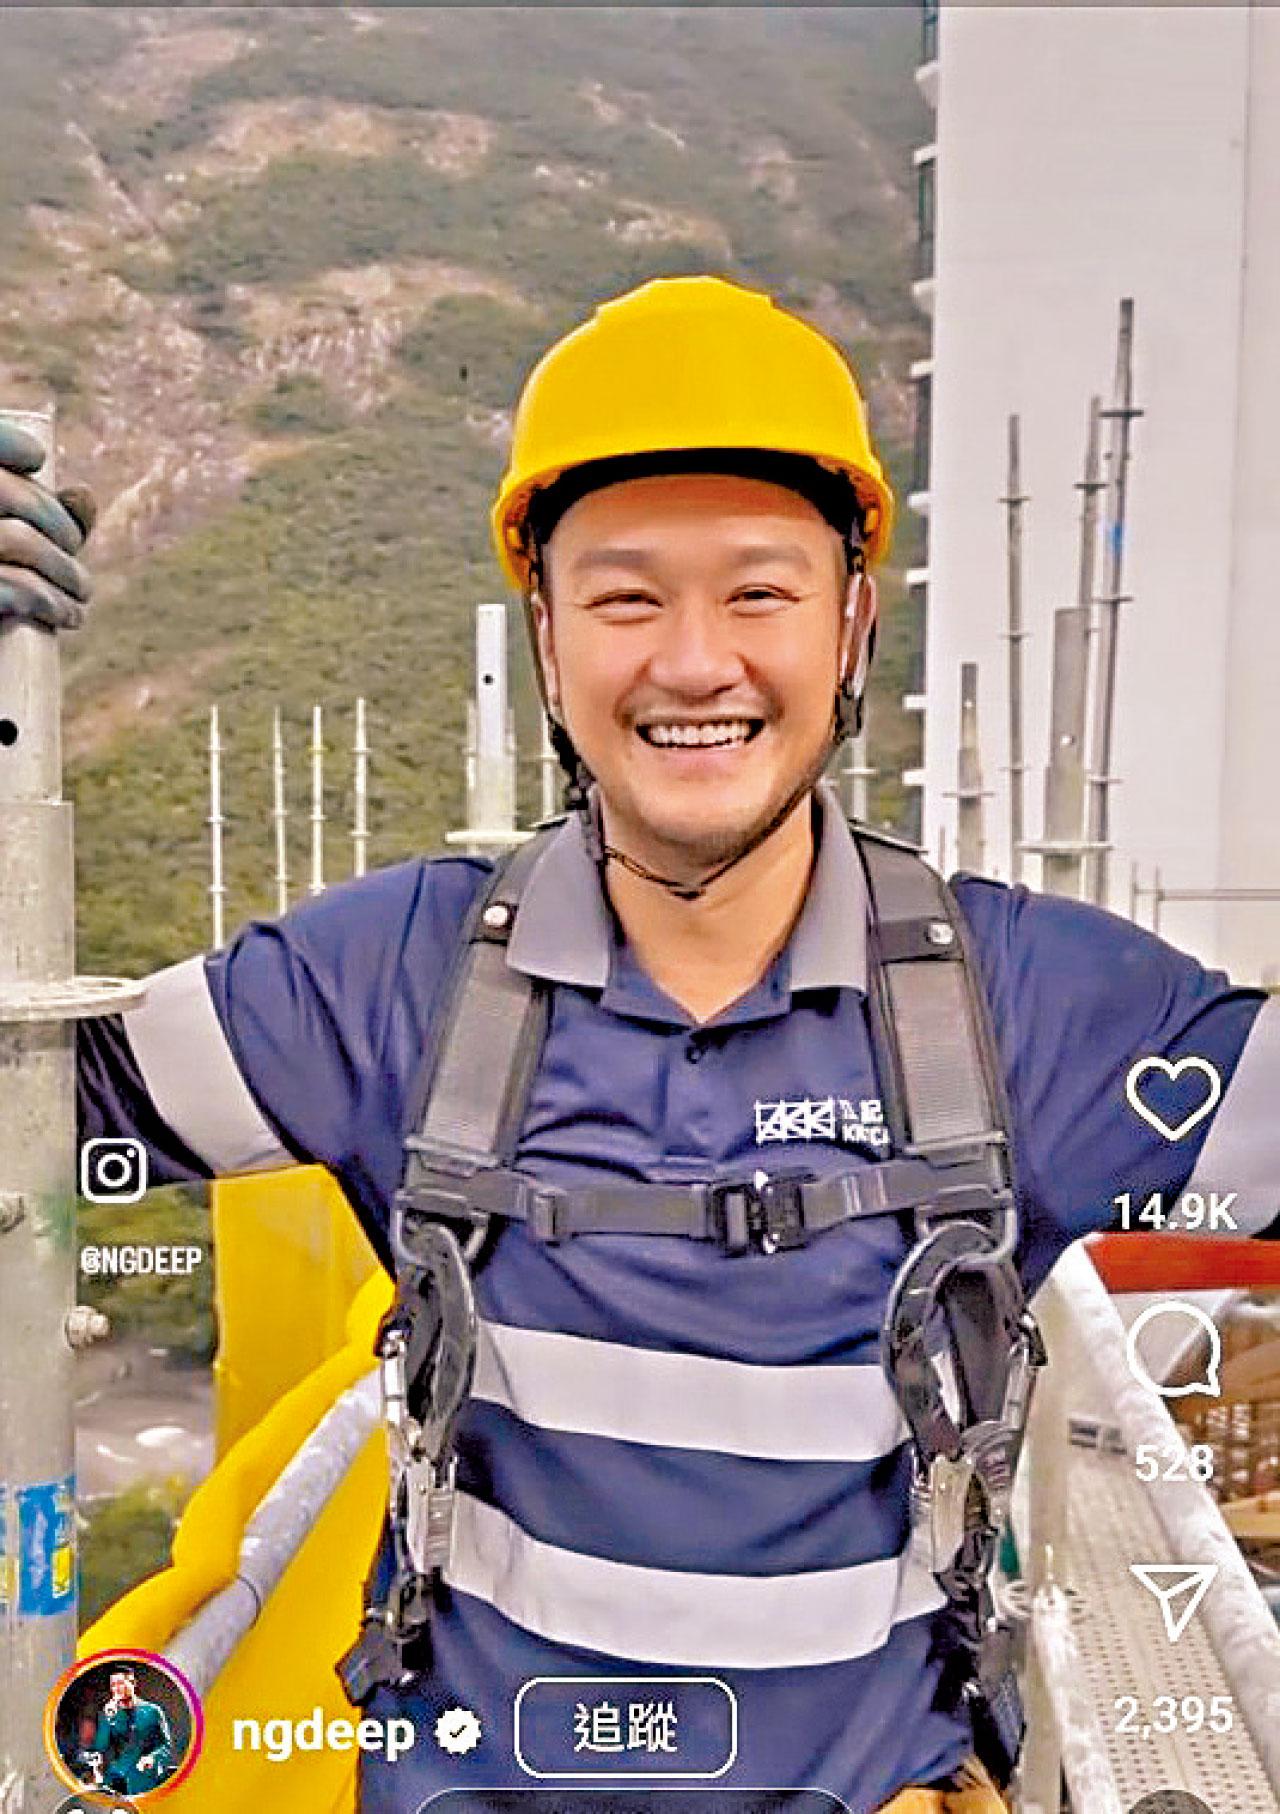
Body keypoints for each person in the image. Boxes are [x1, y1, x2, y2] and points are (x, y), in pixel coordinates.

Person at [3, 274, 1276, 1814]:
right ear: (546, 639)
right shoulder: (390, 982)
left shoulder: (1030, 1007)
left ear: (854, 622)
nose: (693, 661)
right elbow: (29, 1122)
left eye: (759, 592)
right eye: (624, 599)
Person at [80, 1669, 175, 1796]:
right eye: (113, 1685)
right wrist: (109, 1718)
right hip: (114, 1780)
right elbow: (101, 1746)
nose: (116, 1688)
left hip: (143, 1779)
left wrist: (153, 1758)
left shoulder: (152, 1711)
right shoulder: (108, 1713)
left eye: (120, 1683)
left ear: (133, 1683)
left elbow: (166, 1746)